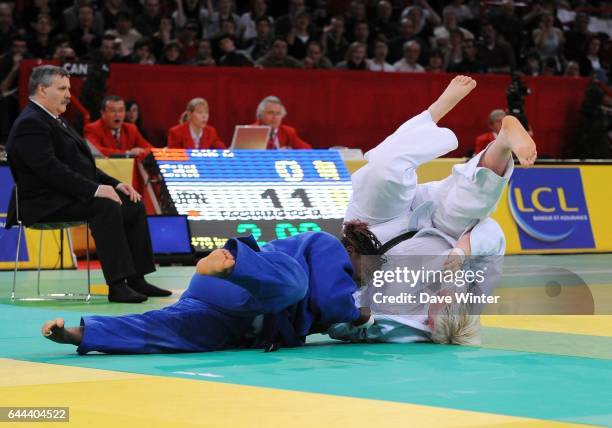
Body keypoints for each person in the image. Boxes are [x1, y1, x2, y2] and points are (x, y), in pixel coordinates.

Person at [332, 76, 536, 345]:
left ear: (429, 324)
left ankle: (434, 116)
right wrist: (464, 250)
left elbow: (338, 323)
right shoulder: (471, 301)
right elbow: (493, 236)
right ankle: (504, 139)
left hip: (374, 233)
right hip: (440, 227)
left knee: (384, 171)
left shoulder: (400, 327)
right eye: (453, 300)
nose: (447, 297)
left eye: (441, 307)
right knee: (475, 204)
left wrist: (354, 317)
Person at [41, 232, 371, 354]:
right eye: (366, 270)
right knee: (293, 284)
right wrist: (359, 316)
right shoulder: (328, 245)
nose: (362, 280)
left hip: (224, 308)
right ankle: (232, 265)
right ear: (353, 250)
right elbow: (330, 300)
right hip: (243, 284)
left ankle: (82, 333)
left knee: (165, 331)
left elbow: (327, 313)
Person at [5, 65, 171, 303]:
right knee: (104, 206)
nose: (68, 95)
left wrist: (115, 184)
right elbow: (50, 171)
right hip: (42, 203)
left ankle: (137, 279)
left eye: (68, 89)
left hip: (63, 196)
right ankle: (117, 285)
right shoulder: (30, 123)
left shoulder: (54, 119)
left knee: (131, 202)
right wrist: (95, 189)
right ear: (42, 89)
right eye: (62, 89)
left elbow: (83, 165)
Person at [84, 95, 153, 158]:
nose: (117, 115)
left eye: (121, 110)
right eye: (113, 111)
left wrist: (143, 152)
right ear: (103, 113)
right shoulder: (92, 128)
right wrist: (128, 153)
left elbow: (149, 148)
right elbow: (96, 151)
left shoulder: (131, 128)